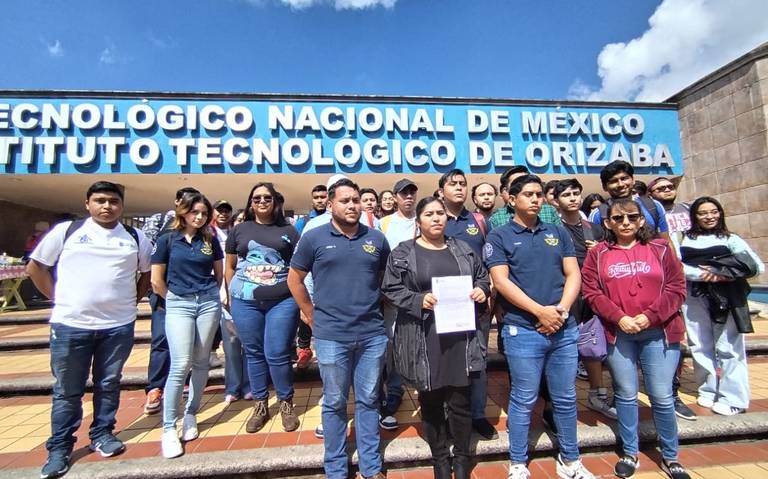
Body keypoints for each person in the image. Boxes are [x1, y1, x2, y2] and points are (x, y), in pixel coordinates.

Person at [26, 181, 152, 479]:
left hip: (117, 326)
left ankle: (102, 433)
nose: (107, 206)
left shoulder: (135, 237)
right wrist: (58, 299)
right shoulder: (67, 231)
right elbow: (36, 268)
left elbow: (146, 274)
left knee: (108, 383)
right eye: (100, 200)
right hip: (71, 325)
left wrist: (131, 302)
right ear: (88, 204)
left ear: (121, 205)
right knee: (67, 390)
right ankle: (59, 448)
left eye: (113, 201)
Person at [484, 175, 595, 479]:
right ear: (512, 200)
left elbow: (573, 274)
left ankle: (571, 460)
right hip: (522, 330)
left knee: (566, 398)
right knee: (523, 398)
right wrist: (539, 312)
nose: (535, 199)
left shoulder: (557, 232)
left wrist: (560, 311)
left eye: (538, 194)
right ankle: (518, 463)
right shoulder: (499, 236)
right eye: (528, 194)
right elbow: (500, 281)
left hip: (563, 328)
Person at [288, 178, 390, 479]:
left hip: (372, 335)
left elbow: (385, 278)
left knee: (369, 400)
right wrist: (310, 313)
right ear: (330, 204)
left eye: (356, 200)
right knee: (334, 402)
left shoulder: (376, 239)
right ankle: (335, 468)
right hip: (332, 336)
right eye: (345, 200)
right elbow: (294, 279)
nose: (352, 205)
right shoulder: (313, 238)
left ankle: (371, 466)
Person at [581, 198, 690, 479]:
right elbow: (591, 291)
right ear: (608, 223)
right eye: (618, 218)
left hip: (659, 332)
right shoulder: (599, 254)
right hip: (619, 333)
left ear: (641, 220)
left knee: (662, 396)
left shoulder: (661, 248)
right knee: (626, 395)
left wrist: (649, 316)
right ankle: (630, 452)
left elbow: (677, 288)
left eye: (631, 216)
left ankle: (671, 456)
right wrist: (619, 317)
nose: (626, 222)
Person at [381, 196, 490, 479]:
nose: (436, 218)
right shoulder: (403, 253)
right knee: (430, 402)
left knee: (460, 402)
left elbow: (482, 276)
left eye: (440, 213)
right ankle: (440, 458)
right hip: (424, 337)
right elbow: (390, 288)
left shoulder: (463, 249)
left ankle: (462, 458)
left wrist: (481, 290)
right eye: (429, 214)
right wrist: (418, 300)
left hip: (460, 337)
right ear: (418, 221)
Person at [151, 193, 224, 459]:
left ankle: (191, 413)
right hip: (178, 303)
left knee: (202, 361)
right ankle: (169, 427)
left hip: (207, 302)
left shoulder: (209, 239)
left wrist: (209, 296)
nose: (200, 217)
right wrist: (175, 298)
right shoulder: (167, 239)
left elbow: (218, 274)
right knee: (181, 364)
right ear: (183, 212)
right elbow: (156, 280)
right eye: (195, 212)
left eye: (204, 213)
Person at [225, 182, 301, 434]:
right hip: (245, 302)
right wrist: (231, 294)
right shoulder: (239, 230)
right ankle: (260, 405)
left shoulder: (289, 230)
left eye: (267, 197)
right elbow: (230, 266)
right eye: (256, 198)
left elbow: (298, 266)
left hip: (282, 300)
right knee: (254, 353)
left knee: (277, 352)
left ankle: (286, 403)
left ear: (275, 201)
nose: (262, 201)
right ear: (250, 202)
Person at [680, 197, 764, 416]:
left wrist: (723, 273)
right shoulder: (684, 238)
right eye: (703, 213)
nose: (709, 217)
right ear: (694, 216)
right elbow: (677, 267)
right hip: (694, 296)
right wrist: (702, 274)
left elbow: (756, 266)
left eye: (714, 211)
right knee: (699, 344)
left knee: (729, 346)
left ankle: (734, 398)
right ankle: (708, 389)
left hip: (726, 297)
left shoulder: (731, 239)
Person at [438, 169, 495, 439]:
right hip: (443, 307)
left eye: (463, 184)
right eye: (453, 184)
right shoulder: (434, 217)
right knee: (447, 362)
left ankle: (478, 414)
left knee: (478, 361)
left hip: (476, 304)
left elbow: (491, 261)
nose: (459, 188)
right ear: (441, 192)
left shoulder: (479, 220)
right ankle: (449, 416)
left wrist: (489, 291)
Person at [553, 179, 616, 420]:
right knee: (565, 350)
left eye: (576, 193)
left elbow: (613, 259)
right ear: (555, 200)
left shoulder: (595, 229)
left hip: (593, 294)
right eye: (566, 194)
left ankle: (597, 394)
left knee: (593, 344)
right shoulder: (551, 229)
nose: (572, 198)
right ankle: (562, 401)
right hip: (564, 296)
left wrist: (600, 251)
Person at [141, 186, 200, 416]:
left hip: (192, 294)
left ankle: (183, 382)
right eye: (185, 201)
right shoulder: (159, 222)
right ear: (177, 202)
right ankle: (155, 388)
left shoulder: (202, 230)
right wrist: (165, 294)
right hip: (164, 294)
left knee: (187, 341)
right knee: (161, 340)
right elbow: (147, 257)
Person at [647, 176, 697, 420]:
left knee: (675, 337)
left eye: (670, 186)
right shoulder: (600, 216)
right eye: (661, 188)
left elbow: (667, 245)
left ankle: (673, 392)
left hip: (669, 289)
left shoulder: (656, 209)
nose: (626, 222)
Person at [377, 178, 419, 429]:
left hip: (419, 296)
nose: (409, 197)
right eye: (404, 193)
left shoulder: (423, 219)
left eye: (412, 192)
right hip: (391, 297)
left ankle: (418, 386)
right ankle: (392, 390)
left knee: (415, 344)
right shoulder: (384, 224)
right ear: (395, 197)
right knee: (390, 346)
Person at [211, 200, 251, 404]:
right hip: (227, 301)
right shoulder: (224, 243)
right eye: (239, 220)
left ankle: (249, 385)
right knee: (232, 345)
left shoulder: (253, 244)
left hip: (250, 301)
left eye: (245, 220)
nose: (241, 223)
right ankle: (233, 387)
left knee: (250, 346)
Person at [589, 161, 670, 244]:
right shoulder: (598, 214)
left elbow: (666, 242)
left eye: (624, 178)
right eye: (613, 181)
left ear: (633, 180)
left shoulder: (653, 206)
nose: (620, 184)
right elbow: (594, 248)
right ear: (604, 187)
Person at [488, 165, 561, 229]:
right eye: (517, 182)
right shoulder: (497, 218)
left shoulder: (549, 211)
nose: (524, 185)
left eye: (526, 181)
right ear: (506, 189)